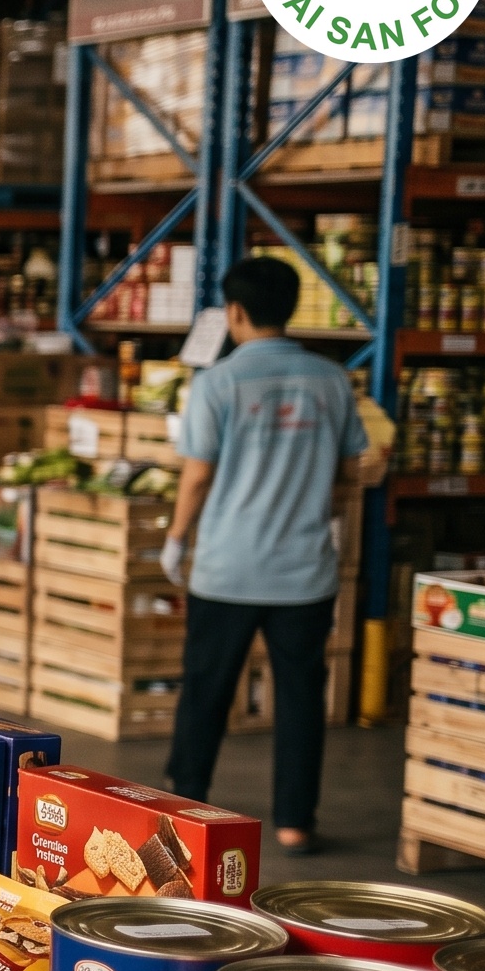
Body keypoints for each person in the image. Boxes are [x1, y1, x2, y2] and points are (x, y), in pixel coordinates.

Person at [163, 257, 381, 855]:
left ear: (235, 313)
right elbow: (350, 466)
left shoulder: (217, 383)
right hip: (304, 572)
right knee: (301, 696)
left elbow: (197, 476)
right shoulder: (333, 381)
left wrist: (177, 539)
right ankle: (294, 821)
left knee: (207, 688)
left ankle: (186, 804)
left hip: (227, 570)